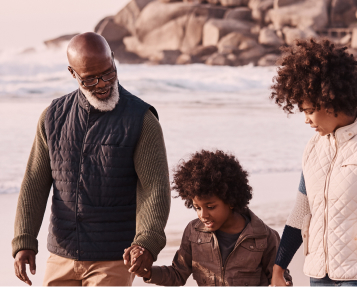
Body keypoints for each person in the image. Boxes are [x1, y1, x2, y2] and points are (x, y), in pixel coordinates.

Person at [12, 32, 170, 286]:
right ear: (72, 74)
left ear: (114, 60)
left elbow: (155, 188)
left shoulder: (141, 120)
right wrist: (24, 241)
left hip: (113, 259)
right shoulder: (52, 117)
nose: (103, 84)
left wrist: (146, 243)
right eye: (90, 80)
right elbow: (34, 182)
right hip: (60, 255)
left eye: (109, 73)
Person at [268, 39, 357, 286]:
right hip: (318, 273)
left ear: (331, 100)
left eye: (309, 110)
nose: (306, 119)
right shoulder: (314, 148)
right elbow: (301, 211)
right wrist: (278, 267)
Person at [123, 150, 287, 286]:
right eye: (197, 208)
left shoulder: (264, 236)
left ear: (230, 200)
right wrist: (148, 272)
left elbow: (281, 278)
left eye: (211, 207)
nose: (203, 215)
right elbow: (177, 274)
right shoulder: (193, 232)